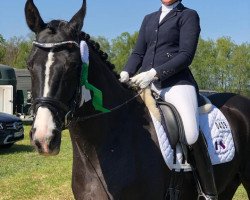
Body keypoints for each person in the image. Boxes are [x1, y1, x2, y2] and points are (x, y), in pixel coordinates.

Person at [120, 0, 218, 199]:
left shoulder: (188, 15)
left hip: (177, 83)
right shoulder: (149, 18)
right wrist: (125, 72)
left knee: (190, 133)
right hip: (145, 84)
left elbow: (186, 55)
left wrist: (154, 73)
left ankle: (208, 191)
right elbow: (138, 52)